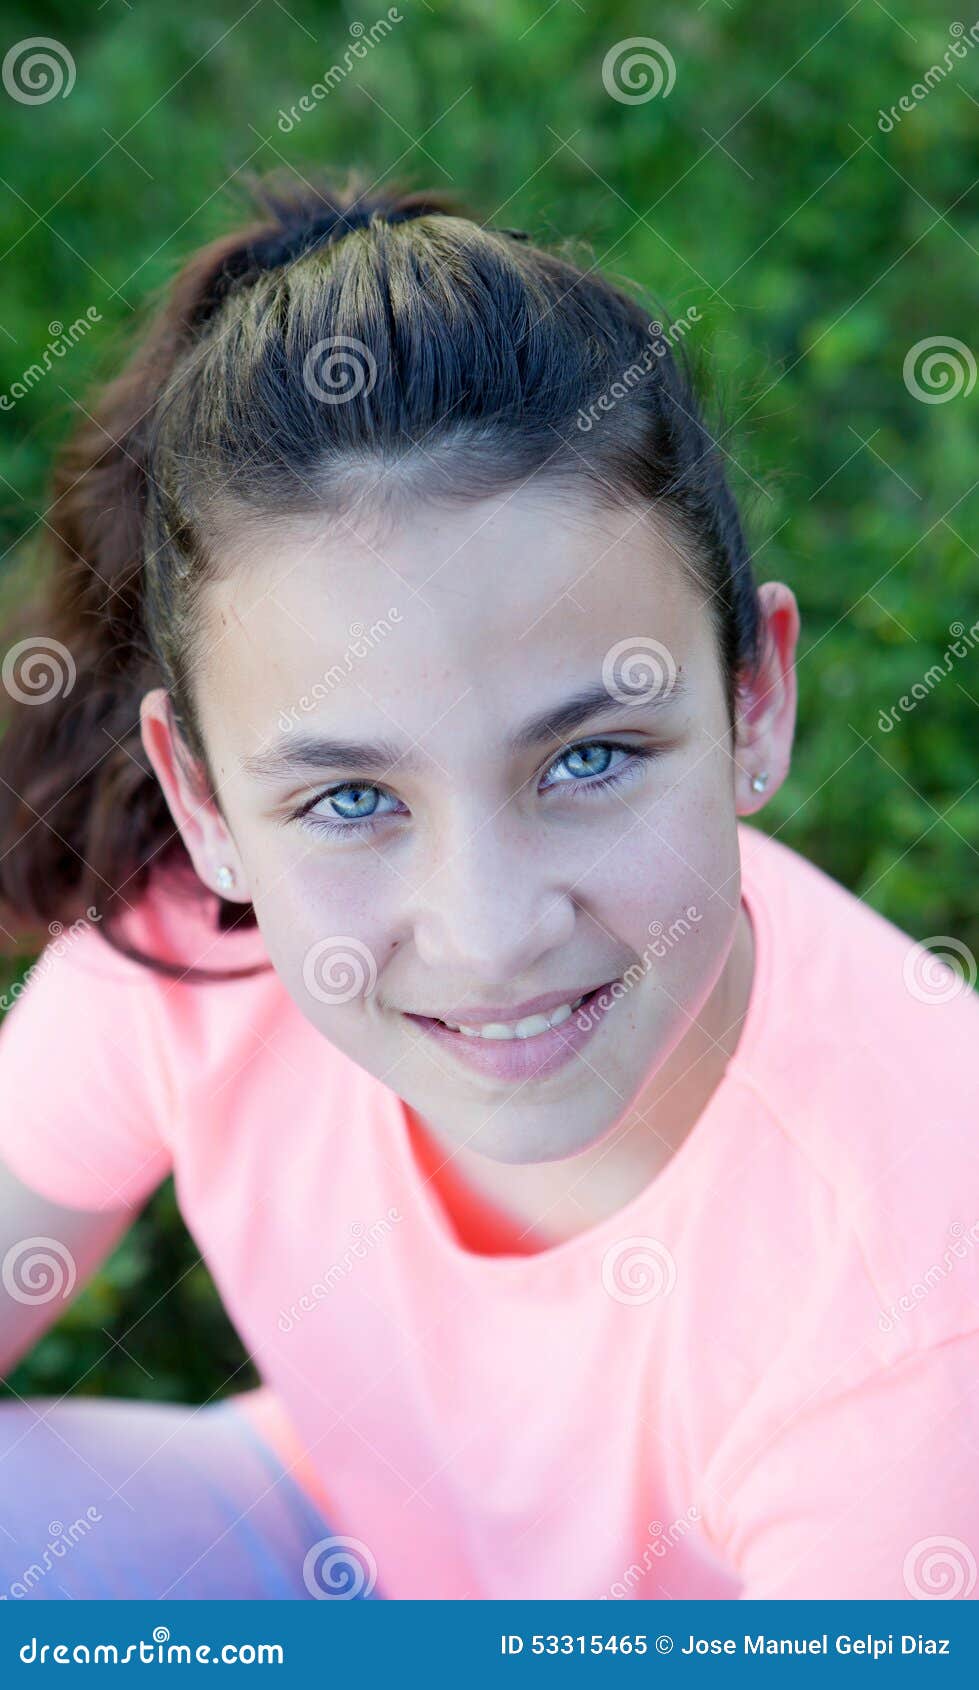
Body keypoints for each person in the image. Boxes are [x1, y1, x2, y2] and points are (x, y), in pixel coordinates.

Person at [0, 166, 977, 1603]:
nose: (489, 930)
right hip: (338, 1548)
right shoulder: (196, 942)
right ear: (203, 801)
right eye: (349, 798)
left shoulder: (921, 1301)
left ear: (755, 696)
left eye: (586, 760)